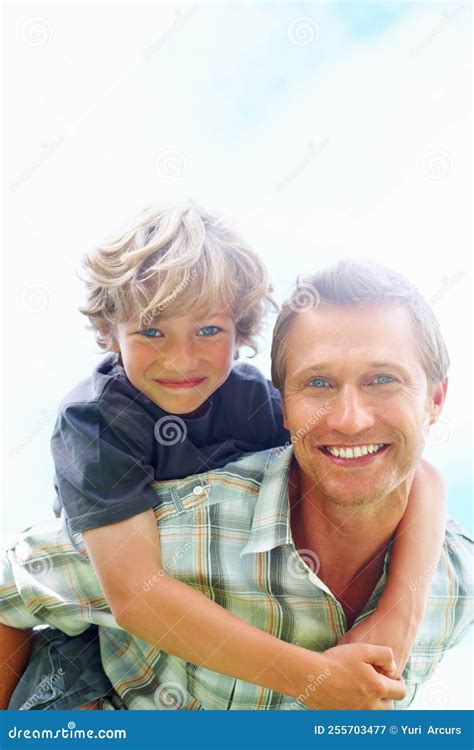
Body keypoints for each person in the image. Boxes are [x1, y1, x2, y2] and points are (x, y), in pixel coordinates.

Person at [0, 225, 450, 709]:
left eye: (208, 330)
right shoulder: (94, 422)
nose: (180, 358)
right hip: (91, 631)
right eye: (151, 331)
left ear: (241, 331)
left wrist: (400, 608)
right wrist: (314, 677)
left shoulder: (257, 399)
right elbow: (134, 596)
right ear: (110, 333)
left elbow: (410, 470)